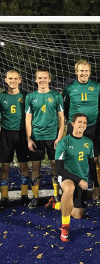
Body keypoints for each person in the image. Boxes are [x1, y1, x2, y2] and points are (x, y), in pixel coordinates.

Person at [45, 113, 97, 242]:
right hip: (67, 177)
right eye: (79, 122)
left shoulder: (88, 143)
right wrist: (78, 180)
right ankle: (65, 227)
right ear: (72, 124)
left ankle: (55, 204)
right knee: (69, 187)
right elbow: (59, 169)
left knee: (77, 215)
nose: (82, 125)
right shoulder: (64, 142)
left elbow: (92, 166)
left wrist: (97, 185)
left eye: (85, 123)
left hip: (82, 179)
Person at [63, 60, 100, 203]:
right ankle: (74, 187)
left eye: (86, 70)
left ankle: (96, 188)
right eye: (81, 70)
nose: (84, 73)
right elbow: (66, 107)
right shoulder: (69, 88)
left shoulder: (97, 87)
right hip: (74, 128)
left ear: (90, 72)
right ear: (76, 72)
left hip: (92, 127)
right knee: (72, 159)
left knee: (94, 159)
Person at [25, 69, 65, 209]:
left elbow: (61, 118)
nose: (42, 80)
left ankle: (56, 195)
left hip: (53, 137)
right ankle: (35, 197)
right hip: (37, 137)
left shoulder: (56, 96)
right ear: (36, 80)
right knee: (36, 167)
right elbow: (28, 119)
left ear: (49, 79)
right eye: (39, 78)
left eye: (45, 78)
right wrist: (29, 138)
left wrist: (60, 136)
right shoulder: (30, 97)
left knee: (55, 166)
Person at [0, 70, 30, 208]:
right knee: (4, 166)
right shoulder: (1, 97)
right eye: (10, 78)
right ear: (5, 80)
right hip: (6, 134)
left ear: (20, 80)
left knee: (23, 165)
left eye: (15, 78)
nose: (12, 81)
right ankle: (4, 197)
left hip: (21, 134)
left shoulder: (25, 96)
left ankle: (24, 194)